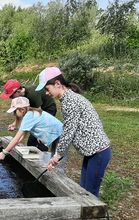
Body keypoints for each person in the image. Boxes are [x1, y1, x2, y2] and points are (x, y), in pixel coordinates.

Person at [35, 67, 111, 198]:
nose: (47, 93)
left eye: (47, 89)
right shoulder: (68, 99)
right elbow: (70, 129)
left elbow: (68, 132)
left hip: (99, 152)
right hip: (91, 152)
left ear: (57, 84)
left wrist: (57, 156)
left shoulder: (70, 101)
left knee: (91, 196)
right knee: (85, 191)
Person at [0, 96, 68, 172]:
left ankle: (58, 178)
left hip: (62, 136)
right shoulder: (32, 113)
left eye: (15, 111)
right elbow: (22, 137)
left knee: (58, 162)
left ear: (22, 109)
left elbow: (16, 139)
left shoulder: (29, 117)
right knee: (54, 161)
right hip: (59, 135)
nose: (14, 114)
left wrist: (4, 152)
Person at [1, 79, 57, 153]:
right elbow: (24, 112)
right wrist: (14, 124)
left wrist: (41, 132)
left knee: (41, 138)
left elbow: (40, 115)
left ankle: (42, 158)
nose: (10, 98)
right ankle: (31, 157)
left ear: (18, 91)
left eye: (11, 96)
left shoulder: (32, 95)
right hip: (37, 111)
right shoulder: (22, 98)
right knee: (32, 139)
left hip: (47, 109)